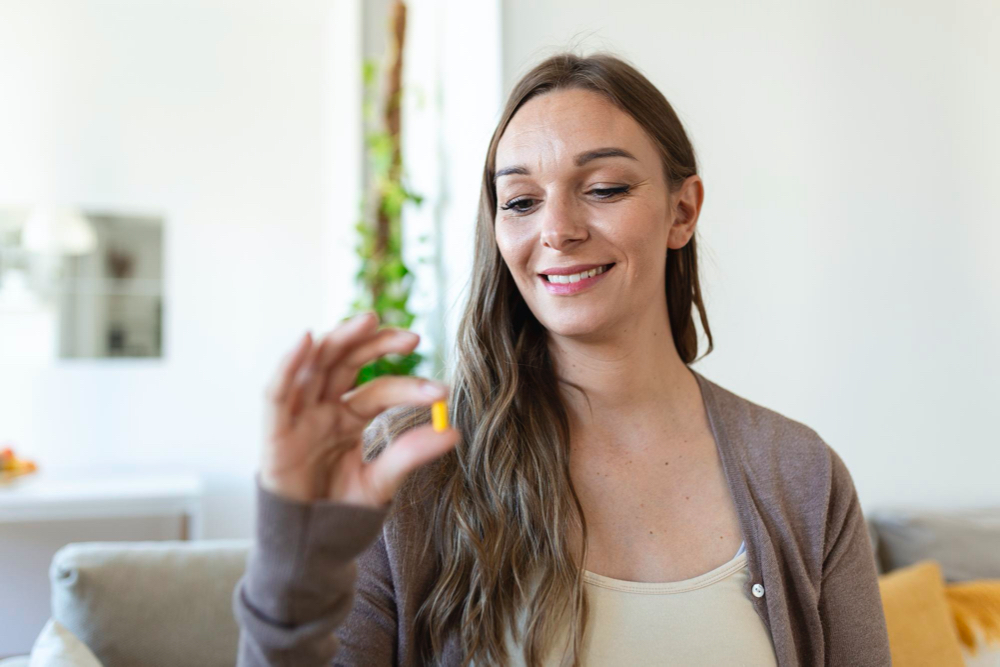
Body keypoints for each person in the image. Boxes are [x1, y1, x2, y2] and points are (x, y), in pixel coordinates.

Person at [233, 52, 891, 666]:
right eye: (520, 201)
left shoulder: (803, 478)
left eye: (603, 188)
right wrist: (290, 585)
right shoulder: (414, 471)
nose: (557, 229)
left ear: (682, 210)